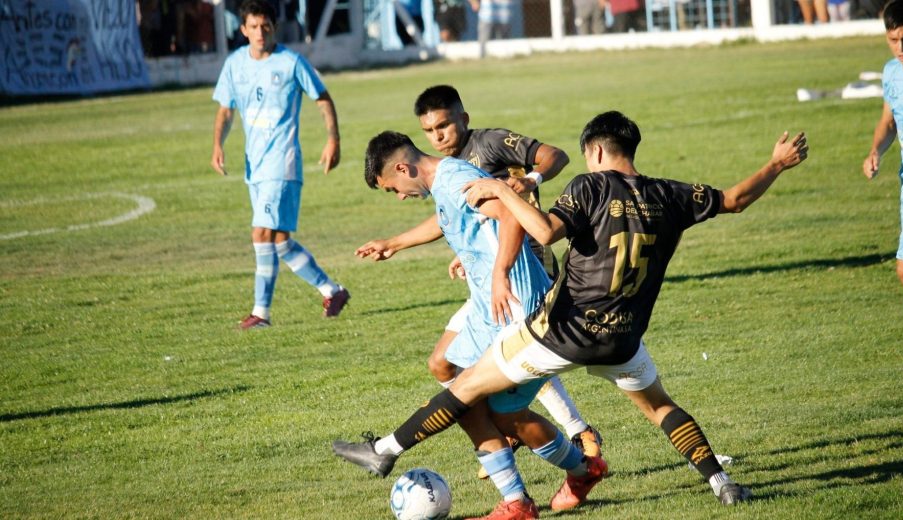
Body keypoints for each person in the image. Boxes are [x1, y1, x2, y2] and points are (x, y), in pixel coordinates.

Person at [333, 110, 810, 508]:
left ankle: (385, 450)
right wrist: (776, 164)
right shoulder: (671, 194)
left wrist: (503, 191)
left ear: (596, 152)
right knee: (661, 406)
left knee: (464, 390)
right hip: (623, 335)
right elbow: (734, 199)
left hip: (562, 330)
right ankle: (720, 483)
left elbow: (542, 232)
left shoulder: (589, 187)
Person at [338, 132, 607, 519]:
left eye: (393, 188)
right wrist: (394, 242)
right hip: (488, 310)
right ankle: (557, 483)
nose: (399, 196)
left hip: (519, 308)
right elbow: (449, 217)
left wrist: (500, 273)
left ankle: (533, 493)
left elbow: (511, 213)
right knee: (459, 384)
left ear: (402, 167)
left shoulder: (454, 177)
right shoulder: (444, 185)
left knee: (482, 405)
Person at [210, 0, 349, 329]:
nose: (260, 33)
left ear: (274, 27)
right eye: (254, 26)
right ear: (243, 29)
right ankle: (332, 290)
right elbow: (226, 109)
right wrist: (217, 143)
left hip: (282, 163)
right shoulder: (234, 65)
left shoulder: (291, 62)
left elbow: (323, 97)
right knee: (279, 241)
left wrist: (333, 140)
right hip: (253, 167)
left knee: (261, 233)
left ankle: (261, 313)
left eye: (266, 26)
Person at [863, 0, 903, 370]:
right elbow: (890, 120)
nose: (902, 48)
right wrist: (875, 151)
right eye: (893, 40)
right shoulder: (891, 73)